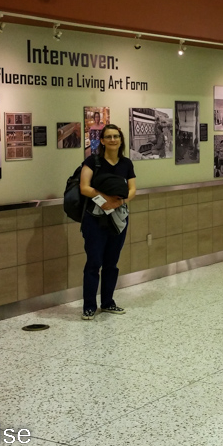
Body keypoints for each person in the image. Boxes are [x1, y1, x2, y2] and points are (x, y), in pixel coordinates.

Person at [78, 123, 136, 320]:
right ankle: (89, 306)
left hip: (118, 219)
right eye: (109, 137)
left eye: (116, 136)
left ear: (121, 140)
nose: (113, 140)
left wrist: (119, 202)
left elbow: (132, 189)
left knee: (112, 263)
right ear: (102, 141)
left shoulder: (126, 163)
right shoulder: (93, 162)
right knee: (94, 262)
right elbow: (84, 188)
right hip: (94, 219)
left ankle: (108, 302)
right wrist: (105, 202)